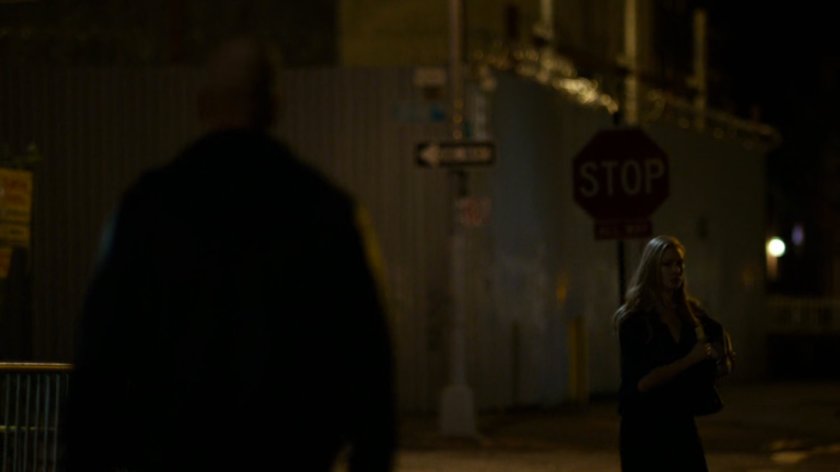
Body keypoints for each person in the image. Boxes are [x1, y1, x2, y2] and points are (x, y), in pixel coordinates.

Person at [62, 37, 396, 472]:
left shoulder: (145, 211)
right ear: (275, 108)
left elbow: (100, 359)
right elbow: (371, 367)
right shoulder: (327, 213)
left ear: (201, 105)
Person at [615, 235, 730, 471]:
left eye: (679, 264)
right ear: (651, 268)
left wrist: (720, 356)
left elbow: (718, 335)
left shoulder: (689, 313)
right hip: (644, 426)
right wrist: (690, 359)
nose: (675, 270)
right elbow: (643, 383)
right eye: (667, 265)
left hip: (680, 423)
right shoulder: (635, 319)